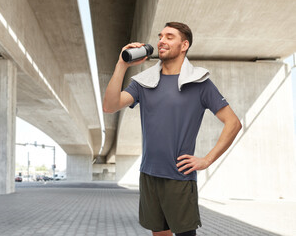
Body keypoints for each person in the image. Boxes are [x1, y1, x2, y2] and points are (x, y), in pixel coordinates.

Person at [103, 22, 242, 236]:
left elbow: (233, 123)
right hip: (149, 175)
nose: (161, 40)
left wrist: (206, 160)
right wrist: (121, 64)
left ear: (184, 45)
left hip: (179, 176)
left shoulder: (199, 82)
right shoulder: (144, 82)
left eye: (169, 37)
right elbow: (110, 106)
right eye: (160, 36)